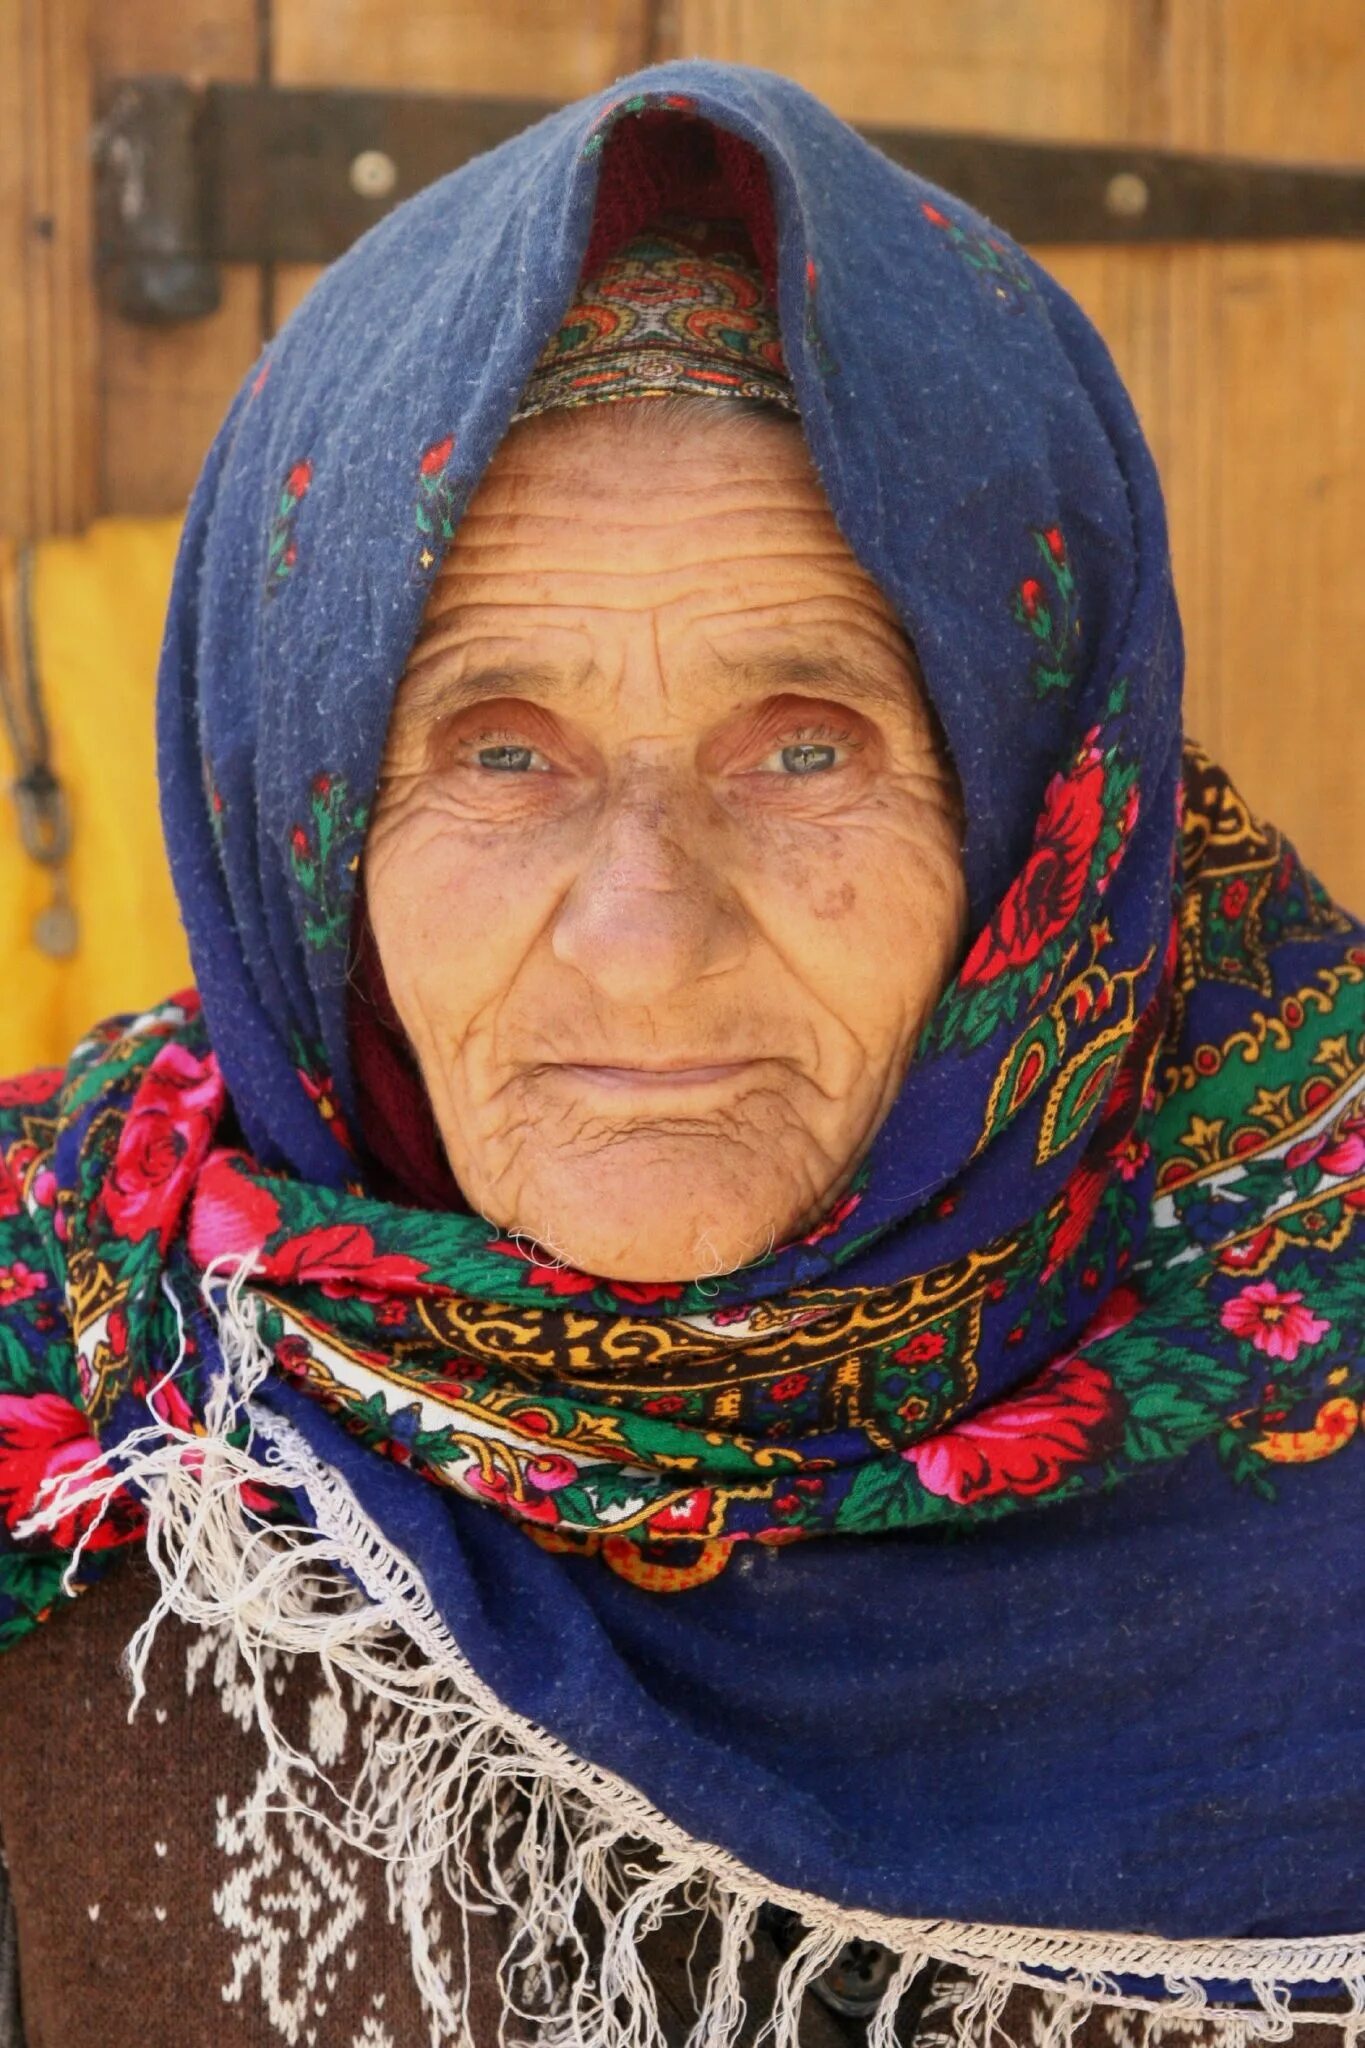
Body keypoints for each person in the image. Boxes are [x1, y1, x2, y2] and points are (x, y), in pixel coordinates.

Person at [0, 62, 1361, 2048]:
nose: (640, 938)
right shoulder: (80, 1388)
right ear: (297, 831)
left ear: (1038, 816)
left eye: (803, 739)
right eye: (497, 747)